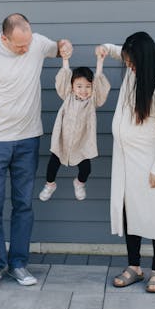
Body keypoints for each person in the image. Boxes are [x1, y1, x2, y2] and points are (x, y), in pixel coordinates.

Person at [0, 13, 72, 291]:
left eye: (28, 44)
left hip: (28, 140)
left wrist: (64, 45)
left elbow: (57, 46)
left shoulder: (36, 43)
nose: (26, 49)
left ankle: (19, 264)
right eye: (19, 46)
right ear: (4, 38)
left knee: (24, 206)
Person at [96, 32, 155, 293]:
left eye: (132, 62)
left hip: (151, 160)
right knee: (130, 211)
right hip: (126, 159)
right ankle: (134, 267)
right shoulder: (136, 68)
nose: (128, 66)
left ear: (143, 58)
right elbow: (122, 51)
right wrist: (106, 49)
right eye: (127, 62)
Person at [39, 51, 110, 202]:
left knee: (86, 169)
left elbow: (99, 84)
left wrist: (100, 62)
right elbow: (64, 78)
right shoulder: (68, 96)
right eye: (79, 86)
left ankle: (79, 183)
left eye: (87, 86)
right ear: (72, 87)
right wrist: (65, 60)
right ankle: (50, 185)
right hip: (63, 139)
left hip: (82, 142)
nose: (83, 90)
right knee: (52, 165)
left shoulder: (93, 101)